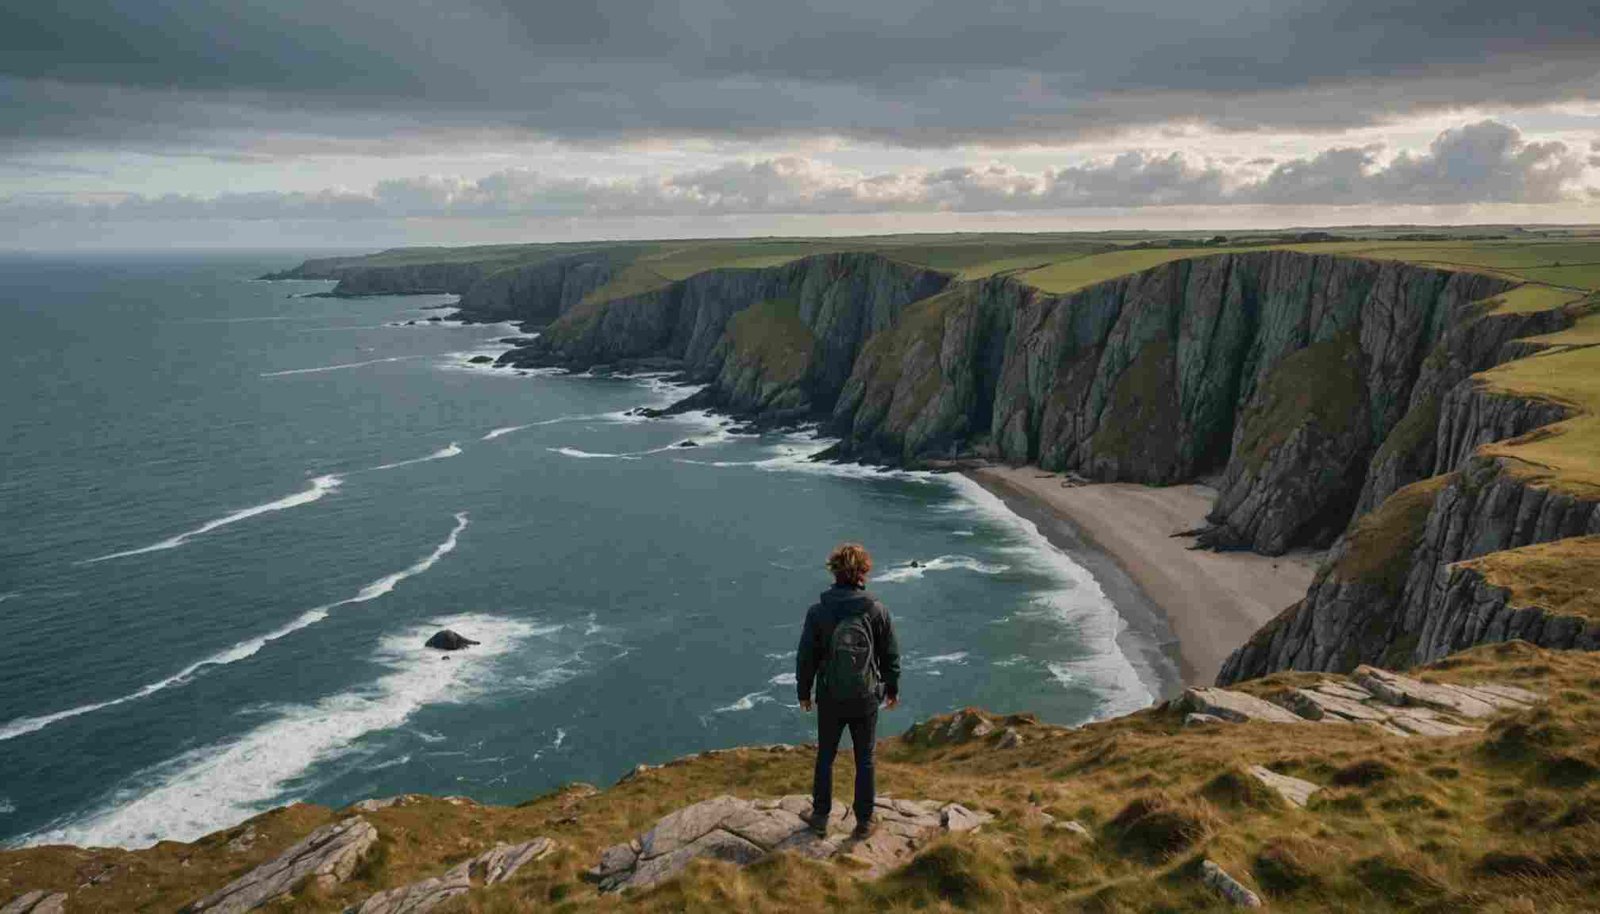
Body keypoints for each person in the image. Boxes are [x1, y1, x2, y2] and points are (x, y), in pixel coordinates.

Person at [796, 542, 901, 840]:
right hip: (865, 696)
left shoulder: (818, 612)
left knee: (825, 756)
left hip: (830, 695)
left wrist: (804, 691)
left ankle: (820, 816)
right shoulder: (877, 610)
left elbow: (806, 656)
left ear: (834, 571)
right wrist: (892, 688)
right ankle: (864, 822)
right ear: (864, 572)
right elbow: (890, 654)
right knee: (864, 758)